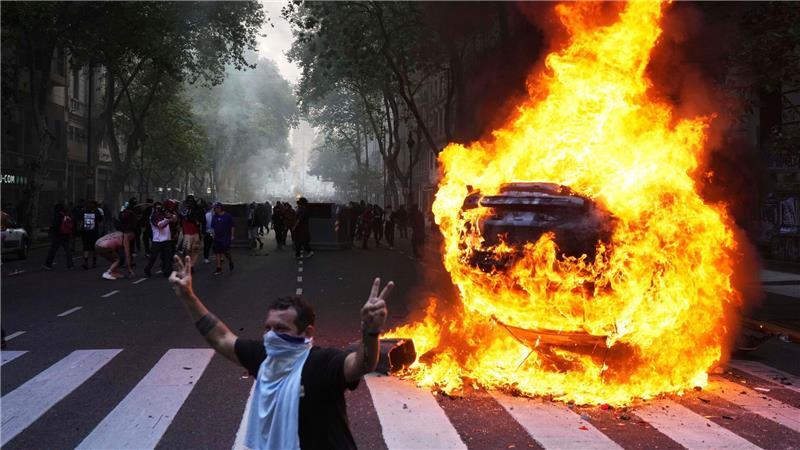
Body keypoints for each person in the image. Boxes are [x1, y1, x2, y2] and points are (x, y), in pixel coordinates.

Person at [168, 254, 391, 450]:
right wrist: (189, 297)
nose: (272, 335)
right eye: (268, 328)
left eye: (281, 329)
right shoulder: (264, 357)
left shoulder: (322, 362)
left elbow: (362, 364)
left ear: (307, 332)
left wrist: (370, 332)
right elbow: (221, 337)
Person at [144, 201, 177, 278]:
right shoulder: (152, 217)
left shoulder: (164, 215)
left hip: (167, 240)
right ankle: (147, 269)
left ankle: (167, 271)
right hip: (157, 240)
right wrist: (168, 219)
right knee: (153, 257)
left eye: (160, 207)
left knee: (168, 257)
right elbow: (160, 225)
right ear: (154, 208)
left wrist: (171, 215)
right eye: (157, 208)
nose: (159, 209)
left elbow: (175, 220)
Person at [42, 204, 74, 270]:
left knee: (53, 250)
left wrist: (51, 231)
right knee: (67, 250)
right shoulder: (66, 216)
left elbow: (55, 226)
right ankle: (70, 265)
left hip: (57, 235)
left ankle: (48, 265)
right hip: (65, 235)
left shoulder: (57, 216)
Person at [180, 195, 205, 271]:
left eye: (191, 201)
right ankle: (188, 264)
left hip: (195, 231)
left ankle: (191, 265)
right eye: (189, 201)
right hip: (187, 231)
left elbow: (202, 220)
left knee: (194, 249)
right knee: (187, 249)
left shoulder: (198, 208)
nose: (190, 203)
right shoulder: (184, 209)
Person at [210, 202, 234, 275]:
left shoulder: (227, 216)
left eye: (216, 208)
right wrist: (213, 234)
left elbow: (232, 226)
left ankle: (230, 261)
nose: (215, 210)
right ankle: (219, 268)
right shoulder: (214, 217)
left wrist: (232, 235)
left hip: (225, 237)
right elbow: (213, 226)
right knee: (217, 252)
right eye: (214, 208)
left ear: (220, 208)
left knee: (226, 252)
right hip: (217, 237)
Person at [80, 200, 104, 269]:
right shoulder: (97, 212)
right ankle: (94, 262)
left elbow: (81, 221)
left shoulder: (84, 211)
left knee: (86, 247)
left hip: (85, 232)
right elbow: (100, 221)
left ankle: (86, 262)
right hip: (94, 232)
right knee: (94, 248)